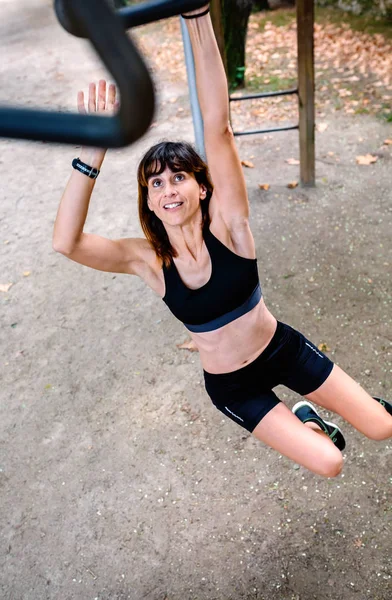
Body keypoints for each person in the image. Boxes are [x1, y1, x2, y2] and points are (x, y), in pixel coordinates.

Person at [53, 5, 392, 478]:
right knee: (331, 463)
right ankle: (307, 420)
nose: (168, 190)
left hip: (282, 350)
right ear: (148, 201)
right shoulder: (148, 261)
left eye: (178, 178)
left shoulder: (230, 226)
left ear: (202, 187)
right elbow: (67, 243)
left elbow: (218, 125)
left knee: (380, 428)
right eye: (155, 184)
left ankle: (339, 408)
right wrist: (92, 151)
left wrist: (197, 15)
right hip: (233, 387)